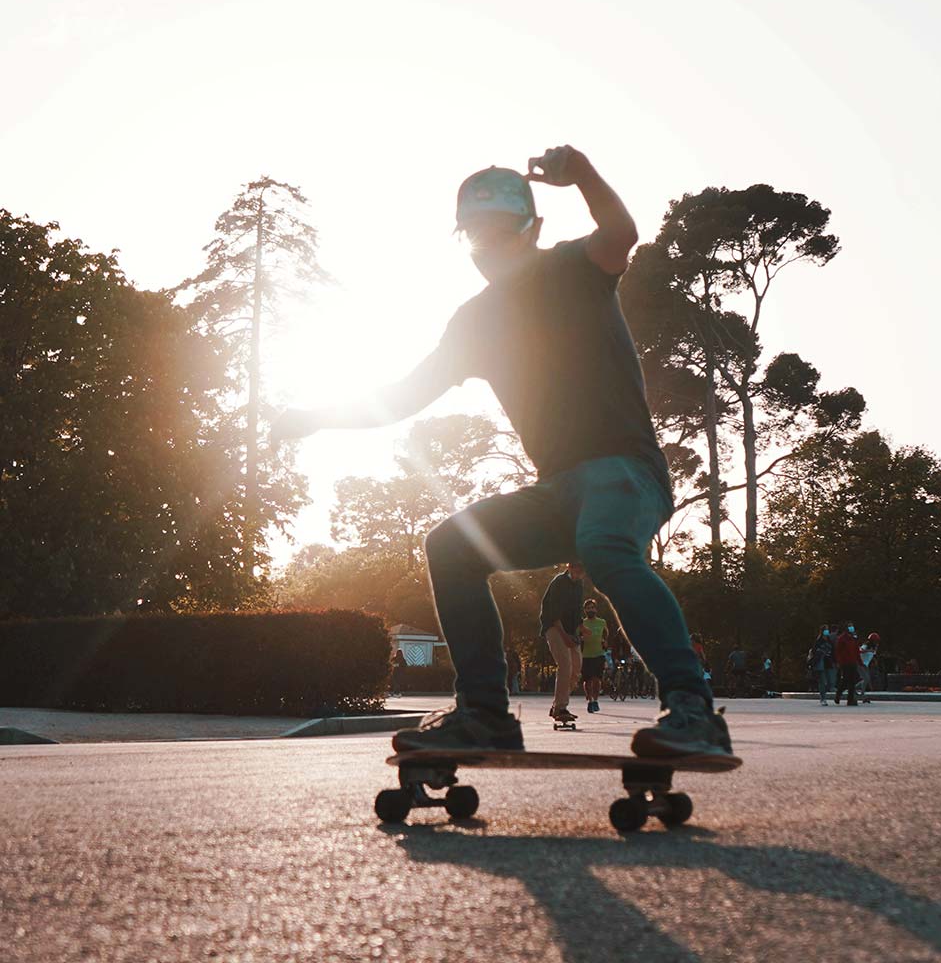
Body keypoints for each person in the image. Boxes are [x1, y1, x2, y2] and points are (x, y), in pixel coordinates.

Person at [272, 146, 726, 758]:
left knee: (604, 547)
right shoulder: (474, 321)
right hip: (557, 488)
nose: (487, 251)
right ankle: (485, 713)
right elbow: (404, 395)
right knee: (452, 546)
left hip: (626, 472)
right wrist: (314, 419)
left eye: (499, 235)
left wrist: (584, 177)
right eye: (475, 238)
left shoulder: (574, 267)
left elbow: (621, 232)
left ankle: (693, 709)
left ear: (532, 229)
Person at [539, 562, 585, 723]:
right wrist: (564, 636)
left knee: (576, 668)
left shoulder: (579, 585)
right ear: (570, 567)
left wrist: (581, 627)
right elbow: (553, 613)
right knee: (565, 665)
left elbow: (577, 610)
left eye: (583, 570)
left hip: (571, 630)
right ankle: (561, 707)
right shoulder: (559, 582)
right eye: (577, 569)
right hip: (555, 627)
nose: (580, 573)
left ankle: (557, 705)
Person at [579, 597, 609, 712]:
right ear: (585, 610)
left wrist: (605, 641)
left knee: (597, 680)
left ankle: (595, 701)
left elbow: (606, 633)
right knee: (588, 680)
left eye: (592, 608)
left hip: (599, 654)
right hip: (586, 655)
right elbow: (576, 636)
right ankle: (589, 700)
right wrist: (581, 638)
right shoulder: (582, 623)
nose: (590, 610)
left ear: (596, 610)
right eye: (588, 608)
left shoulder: (602, 622)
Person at [834, 624, 860, 706]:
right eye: (850, 627)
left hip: (853, 662)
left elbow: (857, 650)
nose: (852, 628)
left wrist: (859, 661)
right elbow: (838, 651)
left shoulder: (854, 638)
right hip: (845, 662)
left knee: (852, 681)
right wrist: (839, 662)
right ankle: (838, 694)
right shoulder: (842, 638)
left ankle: (850, 700)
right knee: (845, 680)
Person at [809, 626, 835, 706]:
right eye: (825, 630)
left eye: (827, 629)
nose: (827, 631)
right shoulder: (818, 641)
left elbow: (833, 651)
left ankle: (824, 693)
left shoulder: (829, 640)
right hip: (821, 662)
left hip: (829, 662)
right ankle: (823, 698)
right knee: (822, 681)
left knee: (831, 682)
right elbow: (814, 651)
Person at [857, 632, 880, 703]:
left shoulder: (874, 647)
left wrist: (874, 661)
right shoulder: (866, 645)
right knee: (866, 678)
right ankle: (860, 693)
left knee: (866, 679)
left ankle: (855, 689)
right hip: (860, 664)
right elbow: (859, 651)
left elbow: (871, 655)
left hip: (865, 665)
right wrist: (868, 650)